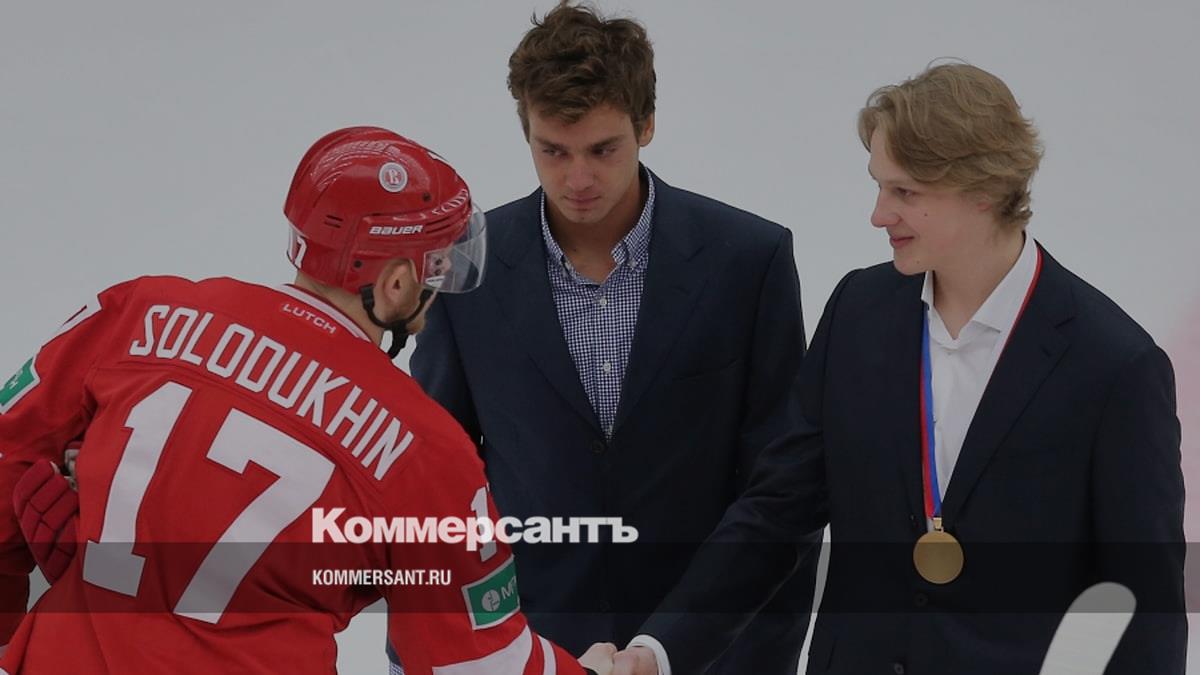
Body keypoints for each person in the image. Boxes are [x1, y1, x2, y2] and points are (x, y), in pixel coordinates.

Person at [612, 63, 1186, 674]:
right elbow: (775, 514)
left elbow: (1141, 608)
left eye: (905, 193)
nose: (879, 214)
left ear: (983, 189)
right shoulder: (858, 312)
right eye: (879, 187)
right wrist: (658, 651)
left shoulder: (1114, 366)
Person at [0, 126, 616, 674]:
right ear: (394, 283)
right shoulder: (425, 450)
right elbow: (479, 665)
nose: (438, 288)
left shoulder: (139, 309)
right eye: (434, 267)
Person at [409, 3, 818, 673]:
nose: (577, 179)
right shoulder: (464, 266)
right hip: (528, 648)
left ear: (646, 124)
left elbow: (784, 486)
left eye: (603, 149)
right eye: (553, 151)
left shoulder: (749, 260)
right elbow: (435, 481)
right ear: (526, 131)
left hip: (710, 650)